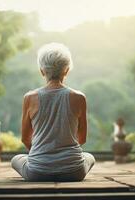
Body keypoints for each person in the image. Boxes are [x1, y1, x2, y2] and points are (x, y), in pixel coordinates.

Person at [11, 43, 95, 182]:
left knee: (16, 159)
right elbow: (82, 139)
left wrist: (43, 154)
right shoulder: (79, 97)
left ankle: (40, 162)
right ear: (67, 70)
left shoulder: (29, 98)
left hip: (37, 172)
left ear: (42, 71)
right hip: (74, 172)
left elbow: (25, 139)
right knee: (89, 157)